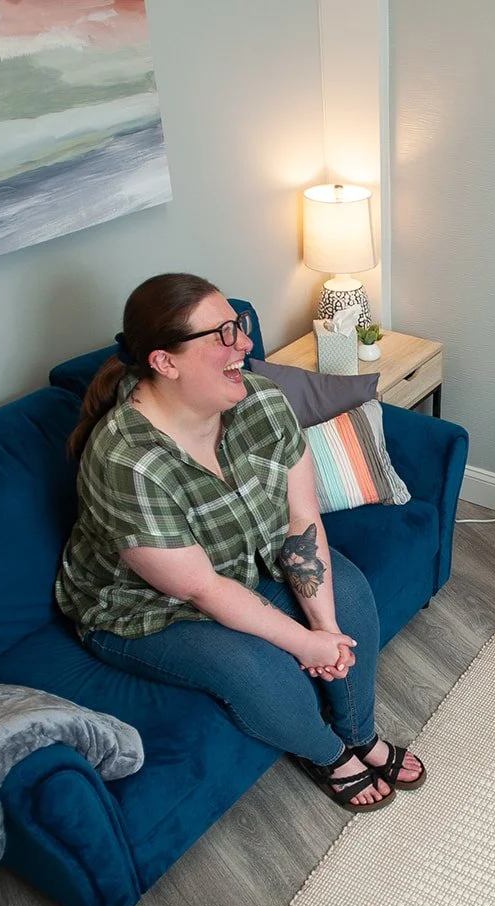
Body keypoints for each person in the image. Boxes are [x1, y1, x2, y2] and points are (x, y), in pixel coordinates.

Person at [56, 273, 423, 810]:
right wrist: (305, 645)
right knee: (260, 673)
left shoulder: (262, 401)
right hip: (146, 609)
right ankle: (329, 755)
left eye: (239, 325)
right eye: (223, 334)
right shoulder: (127, 462)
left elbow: (301, 518)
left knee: (350, 596)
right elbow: (201, 589)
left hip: (248, 561)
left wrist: (324, 629)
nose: (245, 343)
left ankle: (359, 735)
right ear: (164, 362)